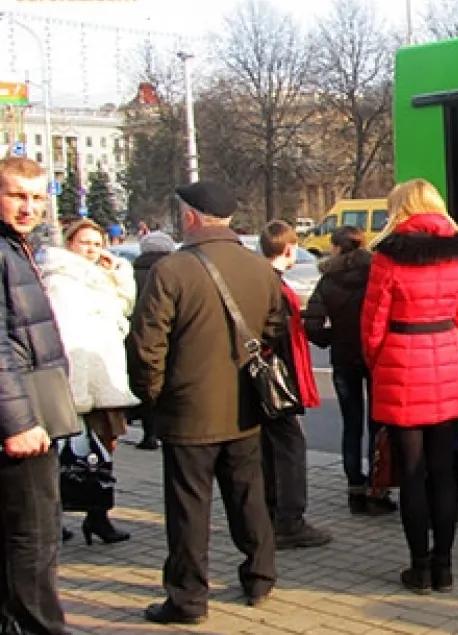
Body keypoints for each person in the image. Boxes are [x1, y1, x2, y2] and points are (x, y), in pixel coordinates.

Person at [129, 180, 283, 624]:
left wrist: (152, 394)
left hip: (186, 411)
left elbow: (146, 346)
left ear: (191, 218)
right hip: (245, 408)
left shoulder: (171, 271)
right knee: (248, 495)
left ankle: (188, 599)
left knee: (189, 509)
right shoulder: (258, 268)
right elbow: (275, 328)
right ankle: (259, 578)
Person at [361, 179, 458, 594]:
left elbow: (373, 324)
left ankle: (419, 567)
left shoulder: (387, 255)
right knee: (443, 473)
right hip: (445, 358)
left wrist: (379, 364)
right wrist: (454, 354)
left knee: (411, 474)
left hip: (400, 357)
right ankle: (444, 567)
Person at [0, 156, 71, 635]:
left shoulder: (16, 247)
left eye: (36, 197)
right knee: (33, 538)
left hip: (31, 409)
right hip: (21, 422)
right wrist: (18, 422)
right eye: (17, 195)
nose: (28, 207)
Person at [40, 219, 140, 545]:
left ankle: (98, 517)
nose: (92, 250)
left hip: (105, 379)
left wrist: (119, 274)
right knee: (65, 455)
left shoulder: (100, 278)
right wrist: (75, 388)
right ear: (70, 244)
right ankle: (54, 518)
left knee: (103, 452)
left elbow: (124, 307)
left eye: (98, 244)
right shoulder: (61, 280)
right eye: (85, 243)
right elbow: (67, 335)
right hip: (75, 380)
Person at [303, 225, 397, 515]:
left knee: (351, 425)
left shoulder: (328, 280)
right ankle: (377, 488)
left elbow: (313, 323)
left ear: (337, 247)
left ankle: (354, 489)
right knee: (378, 424)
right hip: (374, 356)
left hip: (343, 358)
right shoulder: (375, 275)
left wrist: (332, 338)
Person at [258, 220, 333, 550]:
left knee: (272, 448)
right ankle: (289, 520)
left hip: (268, 379)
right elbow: (277, 335)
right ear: (288, 249)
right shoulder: (274, 286)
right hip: (279, 380)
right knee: (290, 447)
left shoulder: (260, 280)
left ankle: (273, 514)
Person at [131, 230, 177, 450]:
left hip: (137, 335)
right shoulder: (173, 274)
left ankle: (148, 433)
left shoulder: (131, 272)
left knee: (147, 381)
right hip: (170, 337)